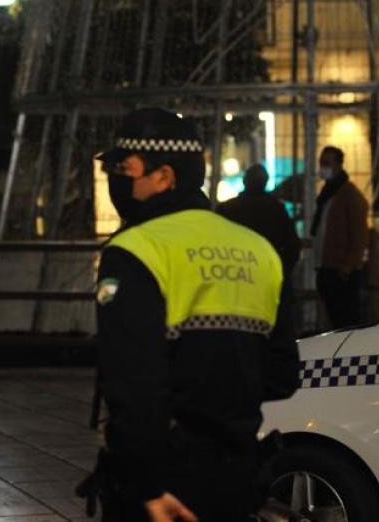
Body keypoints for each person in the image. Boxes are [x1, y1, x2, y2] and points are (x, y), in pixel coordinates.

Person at [83, 108, 299, 522]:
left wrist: (146, 485)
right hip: (238, 477)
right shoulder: (259, 251)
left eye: (123, 169)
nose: (116, 180)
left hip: (162, 489)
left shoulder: (136, 251)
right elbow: (281, 374)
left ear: (163, 177)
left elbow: (132, 381)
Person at [312, 146, 368, 329]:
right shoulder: (329, 193)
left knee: (345, 319)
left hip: (340, 271)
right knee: (336, 317)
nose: (323, 167)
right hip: (327, 267)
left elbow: (359, 235)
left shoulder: (348, 195)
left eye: (327, 163)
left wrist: (347, 267)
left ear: (339, 165)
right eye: (322, 163)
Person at [216, 163, 300, 273]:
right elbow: (292, 246)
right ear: (265, 182)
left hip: (236, 270)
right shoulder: (277, 210)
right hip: (267, 270)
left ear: (245, 181)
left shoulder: (227, 208)